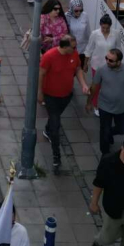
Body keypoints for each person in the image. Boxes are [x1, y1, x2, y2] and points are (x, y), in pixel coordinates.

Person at [39, 36, 89, 174]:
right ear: (65, 46)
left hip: (66, 96)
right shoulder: (49, 56)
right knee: (56, 126)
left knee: (54, 119)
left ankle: (48, 128)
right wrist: (39, 93)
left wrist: (84, 84)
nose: (75, 49)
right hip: (51, 97)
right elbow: (41, 74)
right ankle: (56, 156)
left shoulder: (73, 54)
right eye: (73, 47)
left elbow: (78, 68)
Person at [86, 48, 124, 156]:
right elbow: (94, 87)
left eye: (111, 60)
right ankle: (105, 154)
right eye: (106, 58)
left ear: (119, 62)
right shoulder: (101, 70)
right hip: (104, 106)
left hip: (121, 106)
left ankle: (109, 134)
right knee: (104, 130)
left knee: (121, 129)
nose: (107, 62)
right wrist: (89, 102)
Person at [85, 14, 120, 115]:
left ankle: (108, 104)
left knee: (109, 87)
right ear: (100, 25)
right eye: (103, 27)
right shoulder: (95, 34)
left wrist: (118, 63)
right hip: (97, 65)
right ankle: (96, 105)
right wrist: (85, 63)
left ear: (110, 26)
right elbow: (89, 49)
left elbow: (119, 49)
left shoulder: (116, 34)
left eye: (107, 28)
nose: (104, 30)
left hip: (111, 66)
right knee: (97, 86)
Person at [65, 0, 91, 66]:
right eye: (76, 10)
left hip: (82, 49)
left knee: (80, 68)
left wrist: (89, 47)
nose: (79, 12)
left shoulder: (85, 15)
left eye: (81, 10)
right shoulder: (67, 17)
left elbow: (88, 31)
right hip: (71, 48)